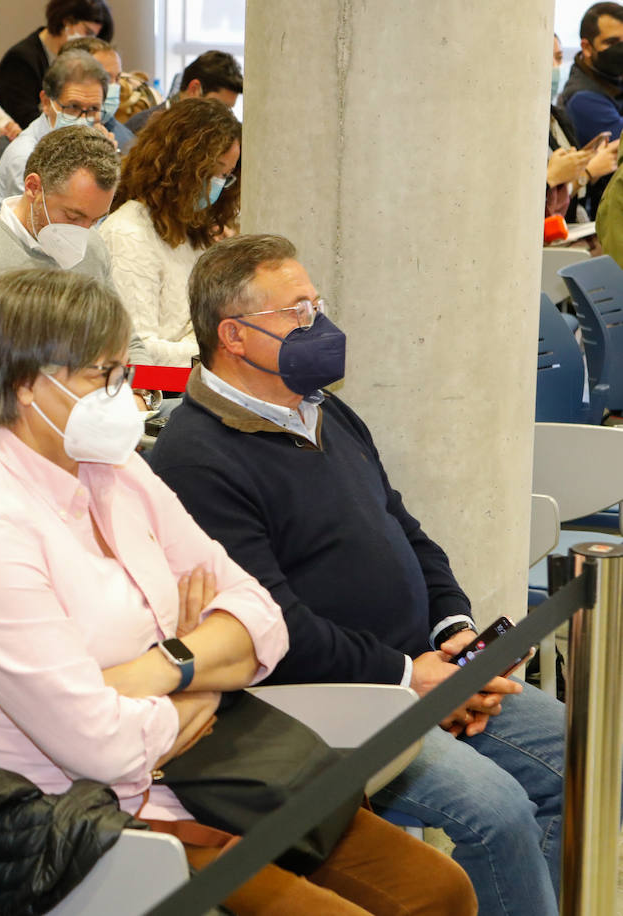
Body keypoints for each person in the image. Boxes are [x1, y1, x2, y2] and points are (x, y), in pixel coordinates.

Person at [0, 268, 475, 916]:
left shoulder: (115, 470)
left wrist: (165, 665)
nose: (128, 398)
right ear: (26, 384)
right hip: (78, 822)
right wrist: (205, 675)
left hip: (219, 775)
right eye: (105, 376)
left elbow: (262, 616)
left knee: (439, 890)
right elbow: (98, 745)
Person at [149, 234, 569, 916]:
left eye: (317, 303)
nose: (322, 324)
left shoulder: (323, 409)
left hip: (422, 673)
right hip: (327, 703)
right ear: (235, 335)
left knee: (575, 752)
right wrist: (412, 678)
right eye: (300, 312)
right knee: (498, 816)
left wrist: (454, 629)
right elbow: (276, 627)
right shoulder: (196, 458)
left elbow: (403, 527)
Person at [0, 125, 145, 475]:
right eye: (73, 216)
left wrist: (138, 394)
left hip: (84, 435)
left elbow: (128, 341)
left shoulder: (92, 250)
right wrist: (25, 407)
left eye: (95, 220)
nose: (83, 232)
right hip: (4, 448)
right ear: (33, 188)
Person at [98, 98, 240, 367]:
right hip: (156, 392)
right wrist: (218, 349)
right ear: (181, 167)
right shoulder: (128, 234)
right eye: (213, 172)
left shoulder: (192, 228)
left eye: (227, 175)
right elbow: (136, 352)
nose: (219, 184)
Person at [0, 49, 111, 220]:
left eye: (93, 109)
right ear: (46, 102)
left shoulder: (84, 145)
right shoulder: (25, 156)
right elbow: (45, 230)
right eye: (73, 107)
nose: (83, 118)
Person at [0, 0, 115, 129]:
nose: (90, 41)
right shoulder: (21, 59)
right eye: (88, 33)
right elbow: (25, 119)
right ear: (67, 21)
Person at [548, 32, 618, 220]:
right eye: (612, 41)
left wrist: (585, 165)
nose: (555, 66)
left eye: (559, 58)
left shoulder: (557, 117)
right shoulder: (582, 99)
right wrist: (586, 173)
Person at [126, 50, 243, 133]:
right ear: (194, 89)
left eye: (229, 109)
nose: (225, 117)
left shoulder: (213, 134)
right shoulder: (142, 129)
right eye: (220, 107)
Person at [561, 2, 623, 144]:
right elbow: (619, 145)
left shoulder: (611, 78)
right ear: (587, 48)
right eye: (612, 42)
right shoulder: (582, 99)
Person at [60, 36, 135, 153]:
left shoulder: (126, 139)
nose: (114, 86)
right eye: (106, 78)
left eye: (118, 78)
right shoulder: (42, 139)